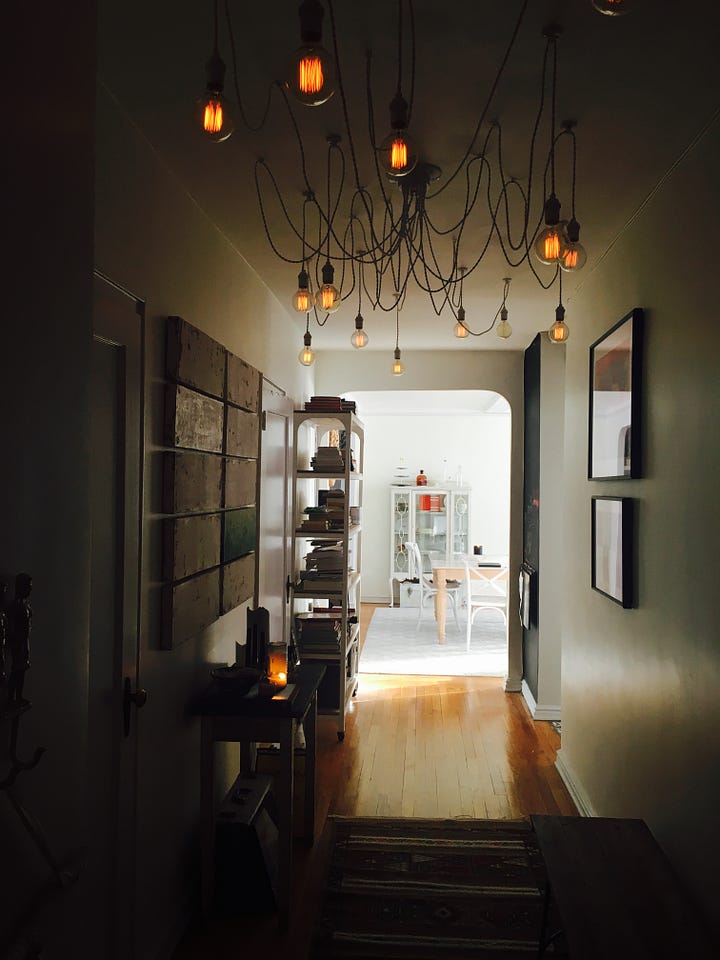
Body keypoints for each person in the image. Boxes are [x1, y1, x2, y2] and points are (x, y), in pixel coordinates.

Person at [8, 572, 32, 704]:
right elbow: (12, 627)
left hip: (24, 640)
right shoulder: (15, 606)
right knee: (17, 669)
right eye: (28, 586)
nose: (30, 589)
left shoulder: (24, 604)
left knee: (22, 669)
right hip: (18, 642)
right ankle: (12, 697)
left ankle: (18, 696)